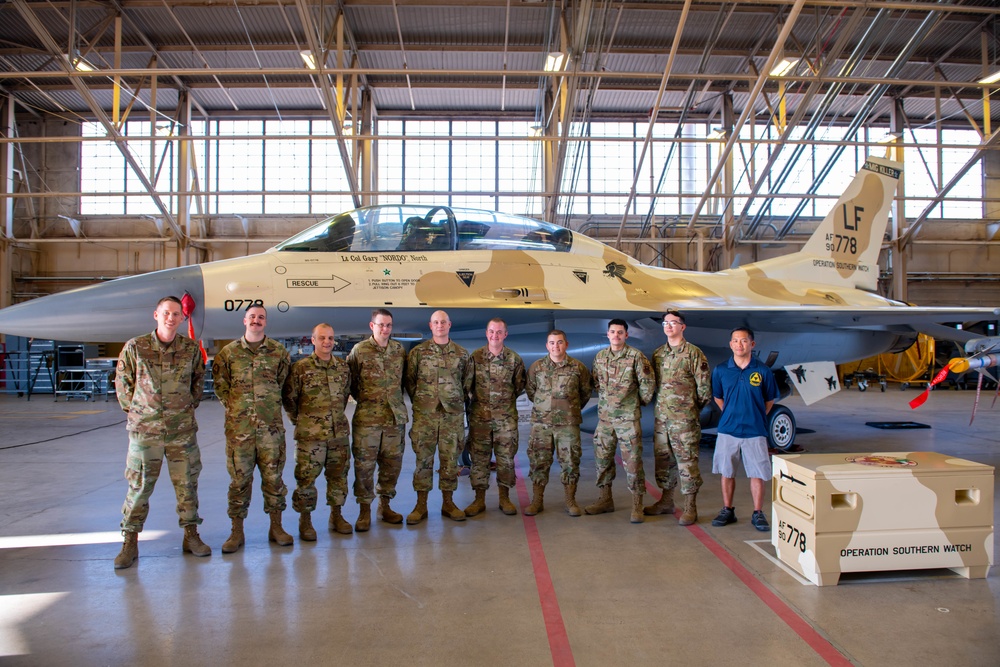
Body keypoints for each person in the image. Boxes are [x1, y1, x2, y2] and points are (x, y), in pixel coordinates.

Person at [113, 295, 210, 569]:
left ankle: (191, 535)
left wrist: (181, 411)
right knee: (140, 486)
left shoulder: (190, 349)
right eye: (166, 312)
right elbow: (124, 388)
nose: (171, 317)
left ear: (182, 318)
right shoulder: (136, 347)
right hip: (146, 433)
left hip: (181, 432)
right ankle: (129, 541)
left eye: (176, 313)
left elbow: (197, 384)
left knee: (187, 485)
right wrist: (142, 415)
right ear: (156, 315)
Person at [214, 304, 294, 551]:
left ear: (265, 322)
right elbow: (221, 387)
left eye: (261, 317)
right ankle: (236, 532)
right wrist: (239, 410)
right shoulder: (228, 354)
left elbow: (283, 384)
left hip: (271, 430)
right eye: (252, 317)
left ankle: (276, 527)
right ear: (244, 320)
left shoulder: (278, 352)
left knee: (274, 479)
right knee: (239, 481)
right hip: (240, 432)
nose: (256, 321)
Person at [282, 323, 352, 540]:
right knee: (306, 479)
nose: (327, 342)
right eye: (322, 338)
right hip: (310, 437)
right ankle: (306, 521)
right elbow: (289, 399)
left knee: (338, 477)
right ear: (313, 340)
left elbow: (346, 394)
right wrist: (302, 422)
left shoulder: (342, 368)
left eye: (330, 338)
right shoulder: (300, 368)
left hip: (338, 434)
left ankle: (336, 516)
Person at [405, 310, 473, 524]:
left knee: (450, 462)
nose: (440, 325)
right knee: (423, 462)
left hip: (451, 417)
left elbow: (467, 384)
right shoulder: (418, 353)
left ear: (449, 324)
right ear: (430, 325)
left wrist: (452, 401)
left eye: (443, 322)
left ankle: (448, 503)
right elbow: (410, 382)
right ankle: (421, 505)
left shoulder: (462, 354)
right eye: (436, 322)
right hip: (425, 416)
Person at [646, 310, 712, 525]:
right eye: (665, 323)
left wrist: (690, 411)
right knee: (664, 462)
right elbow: (654, 387)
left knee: (687, 463)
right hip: (662, 421)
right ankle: (666, 501)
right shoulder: (658, 354)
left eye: (673, 323)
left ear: (682, 327)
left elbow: (704, 390)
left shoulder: (693, 353)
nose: (669, 326)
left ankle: (690, 507)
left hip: (685, 421)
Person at [585, 319, 655, 523]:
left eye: (620, 332)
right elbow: (597, 382)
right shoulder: (600, 357)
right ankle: (605, 499)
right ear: (607, 334)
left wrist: (633, 403)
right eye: (613, 332)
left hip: (627, 420)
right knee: (602, 461)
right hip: (605, 419)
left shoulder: (636, 357)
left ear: (626, 335)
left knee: (633, 463)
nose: (616, 335)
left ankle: (637, 505)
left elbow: (647, 386)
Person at [710, 326, 779, 532]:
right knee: (727, 472)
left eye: (744, 341)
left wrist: (754, 415)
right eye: (735, 341)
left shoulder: (763, 371)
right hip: (727, 429)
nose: (739, 344)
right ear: (730, 344)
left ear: (752, 344)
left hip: (755, 430)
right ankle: (727, 510)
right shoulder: (721, 370)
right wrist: (732, 413)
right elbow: (718, 397)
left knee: (756, 473)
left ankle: (758, 512)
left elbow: (769, 399)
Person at [347, 308, 409, 530]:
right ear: (372, 326)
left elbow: (404, 381)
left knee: (392, 465)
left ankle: (385, 505)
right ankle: (364, 510)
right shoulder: (359, 350)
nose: (385, 329)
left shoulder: (398, 350)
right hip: (367, 420)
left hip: (394, 419)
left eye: (389, 325)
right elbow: (351, 382)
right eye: (381, 325)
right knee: (364, 466)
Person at [524, 330, 593, 516]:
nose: (556, 346)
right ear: (547, 346)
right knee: (539, 461)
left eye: (560, 342)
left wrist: (569, 408)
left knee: (570, 461)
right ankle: (537, 500)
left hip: (568, 424)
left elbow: (585, 393)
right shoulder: (537, 368)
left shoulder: (578, 368)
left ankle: (570, 501)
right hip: (541, 424)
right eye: (552, 343)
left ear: (566, 344)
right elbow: (531, 391)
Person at [464, 317, 526, 516]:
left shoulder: (514, 359)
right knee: (479, 460)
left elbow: (518, 387)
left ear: (505, 334)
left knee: (506, 460)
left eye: (499, 332)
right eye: (491, 331)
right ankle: (479, 500)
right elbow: (468, 386)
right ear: (486, 333)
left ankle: (504, 498)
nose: (495, 335)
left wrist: (501, 406)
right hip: (480, 420)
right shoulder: (476, 357)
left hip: (505, 420)